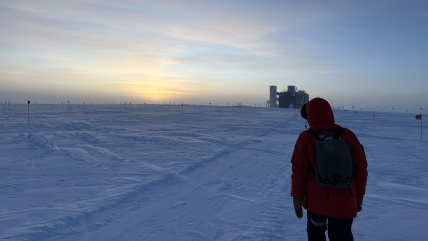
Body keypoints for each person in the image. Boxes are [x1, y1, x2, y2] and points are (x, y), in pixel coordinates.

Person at [291, 98, 368, 241]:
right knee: (342, 236)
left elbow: (299, 170)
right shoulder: (348, 135)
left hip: (316, 203)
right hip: (345, 199)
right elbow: (361, 168)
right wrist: (359, 194)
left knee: (316, 235)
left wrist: (298, 197)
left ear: (308, 115)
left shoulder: (306, 137)